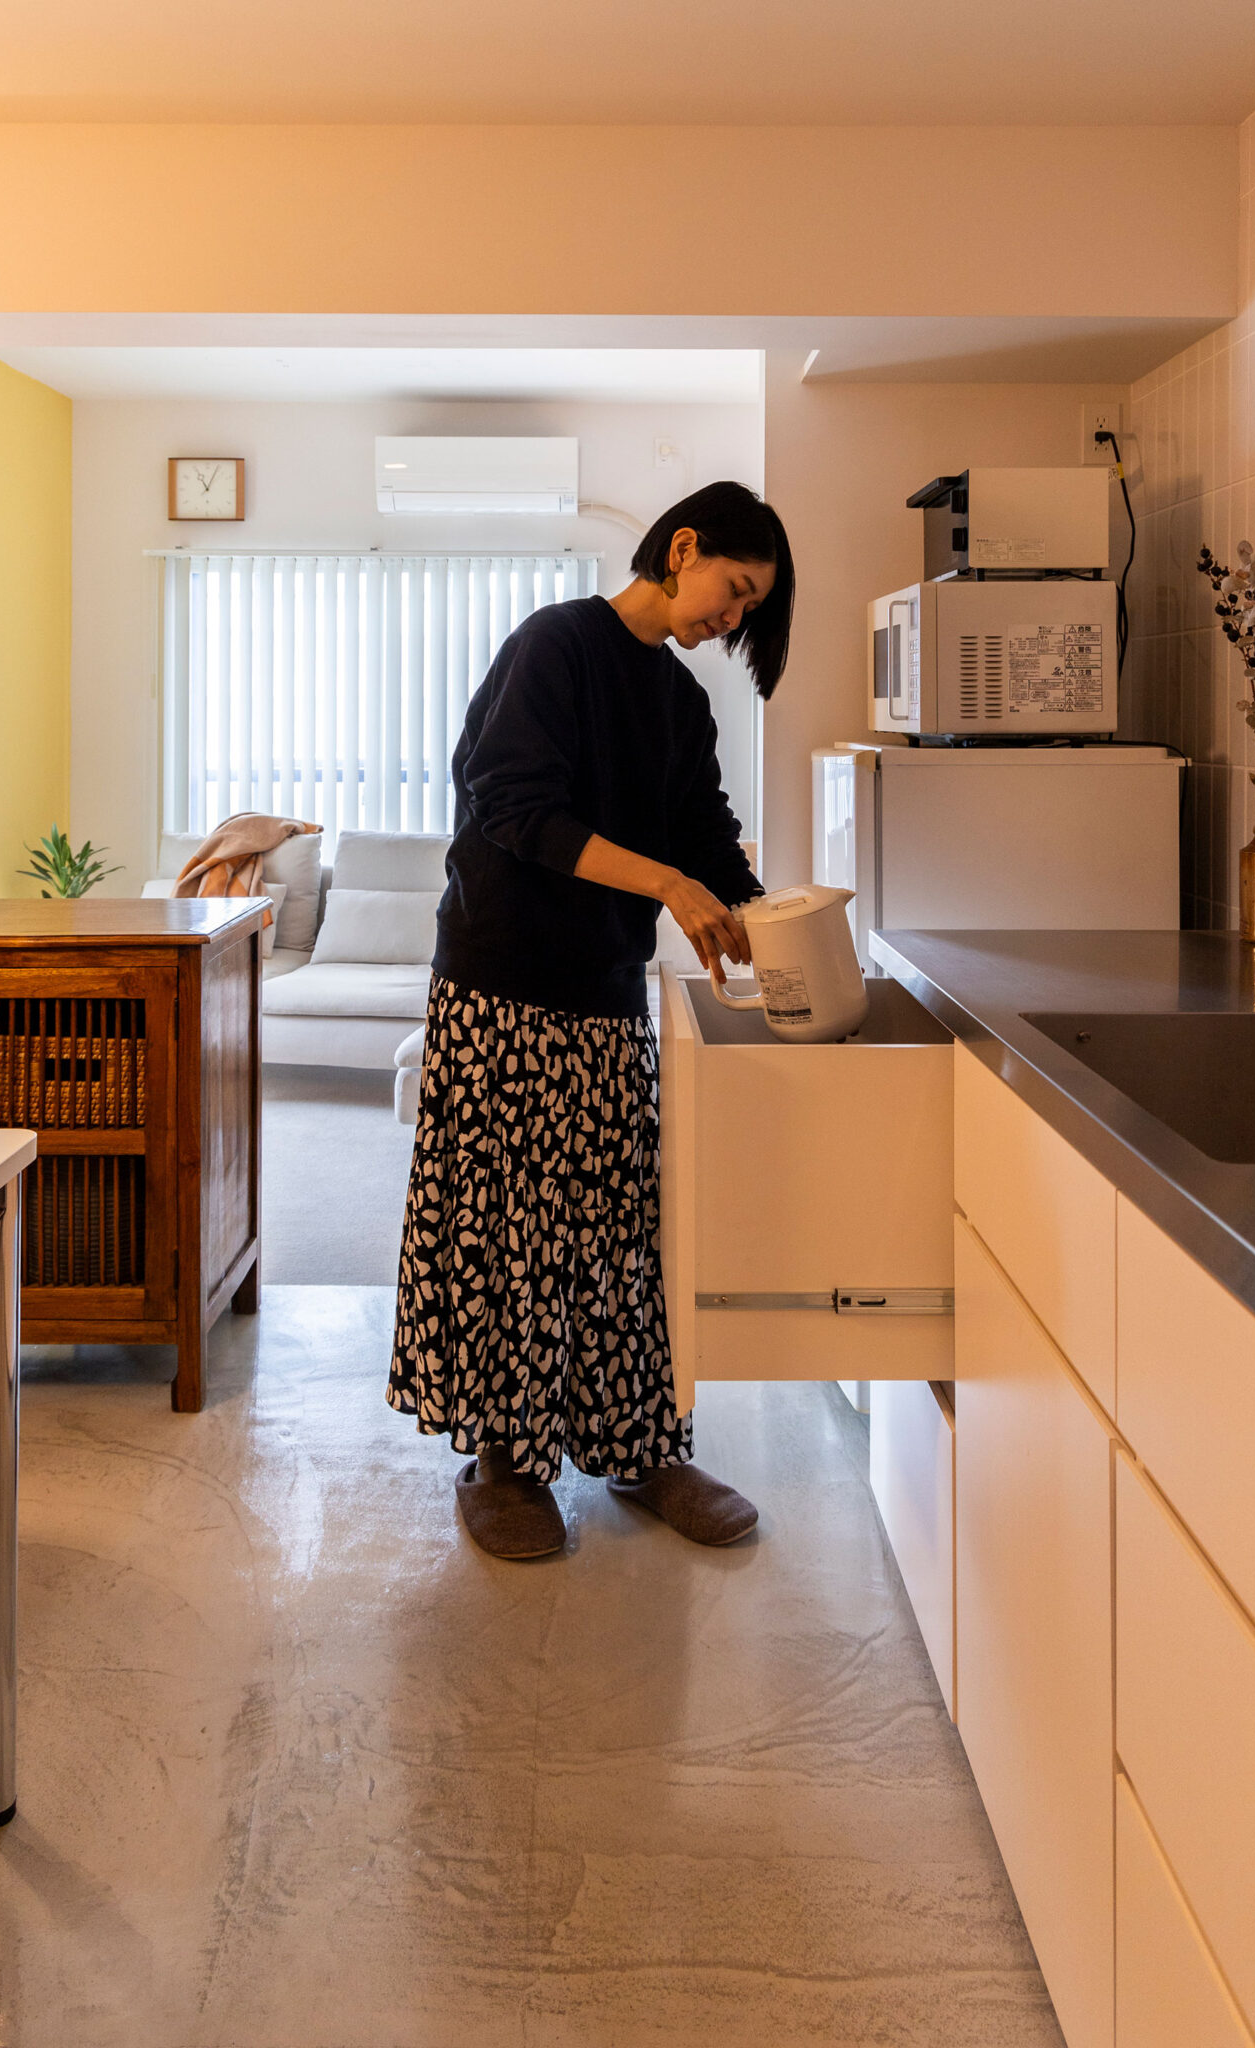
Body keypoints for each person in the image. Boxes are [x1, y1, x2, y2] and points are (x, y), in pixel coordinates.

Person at [387, 481, 795, 1559]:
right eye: (735, 590)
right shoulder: (555, 645)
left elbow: (707, 841)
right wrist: (669, 884)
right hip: (502, 985)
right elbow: (513, 805)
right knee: (508, 1237)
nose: (733, 617)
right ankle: (505, 1462)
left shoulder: (681, 705)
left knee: (619, 1232)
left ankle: (638, 1444)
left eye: (749, 608)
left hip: (606, 992)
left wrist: (779, 922)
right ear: (685, 545)